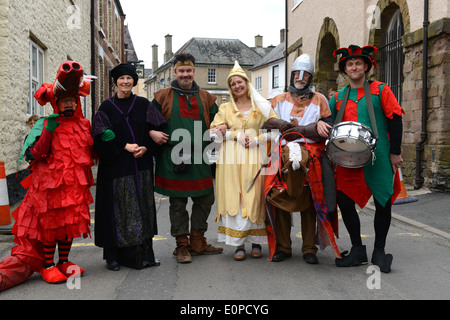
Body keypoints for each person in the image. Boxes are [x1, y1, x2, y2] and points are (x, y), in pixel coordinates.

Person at [4, 61, 94, 285]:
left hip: (73, 185)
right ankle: (48, 265)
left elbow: (90, 153)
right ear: (56, 103)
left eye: (72, 101)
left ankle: (64, 261)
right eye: (64, 101)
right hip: (48, 186)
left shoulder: (84, 124)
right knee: (50, 225)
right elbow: (33, 155)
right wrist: (47, 133)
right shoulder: (44, 123)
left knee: (68, 224)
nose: (68, 105)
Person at [329, 45, 403, 273]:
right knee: (344, 200)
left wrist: (395, 152)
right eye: (349, 64)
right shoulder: (339, 96)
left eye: (358, 63)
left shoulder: (381, 90)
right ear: (344, 69)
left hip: (378, 156)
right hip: (346, 157)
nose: (354, 67)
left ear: (366, 66)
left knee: (383, 201)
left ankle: (379, 252)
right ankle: (358, 249)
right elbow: (329, 123)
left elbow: (395, 119)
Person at [265, 54, 340, 264]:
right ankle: (283, 247)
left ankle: (309, 249)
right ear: (291, 75)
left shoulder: (320, 100)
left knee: (310, 202)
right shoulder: (278, 99)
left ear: (310, 77)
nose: (300, 77)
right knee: (280, 199)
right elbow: (265, 123)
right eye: (297, 74)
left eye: (305, 74)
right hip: (282, 155)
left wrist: (308, 129)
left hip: (312, 156)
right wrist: (279, 124)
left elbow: (328, 128)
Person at [92, 63, 167, 271]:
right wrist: (123, 145)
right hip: (115, 167)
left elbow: (159, 129)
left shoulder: (144, 104)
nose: (125, 81)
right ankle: (113, 257)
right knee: (114, 211)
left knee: (142, 209)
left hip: (140, 165)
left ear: (134, 81)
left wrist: (146, 147)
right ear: (115, 82)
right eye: (121, 78)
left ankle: (145, 255)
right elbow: (99, 135)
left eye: (129, 78)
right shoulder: (106, 107)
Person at [152, 53, 223, 264]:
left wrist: (221, 127)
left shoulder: (207, 97)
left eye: (189, 70)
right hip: (173, 157)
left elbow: (219, 120)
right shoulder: (161, 97)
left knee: (206, 198)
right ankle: (182, 245)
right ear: (175, 72)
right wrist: (151, 133)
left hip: (201, 157)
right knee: (178, 203)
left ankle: (198, 240)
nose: (185, 74)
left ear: (194, 71)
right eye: (181, 71)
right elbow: (147, 123)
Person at [210, 61, 279, 261]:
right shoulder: (224, 108)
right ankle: (238, 244)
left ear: (247, 83)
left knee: (255, 195)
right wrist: (232, 134)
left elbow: (276, 131)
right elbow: (213, 133)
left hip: (256, 157)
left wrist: (257, 139)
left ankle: (257, 241)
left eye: (239, 82)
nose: (236, 86)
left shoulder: (263, 106)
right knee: (236, 197)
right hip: (230, 159)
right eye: (232, 84)